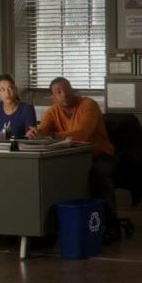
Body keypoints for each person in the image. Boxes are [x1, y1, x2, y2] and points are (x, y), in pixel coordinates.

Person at [26, 77, 120, 241]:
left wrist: (52, 136)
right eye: (59, 92)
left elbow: (82, 134)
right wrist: (36, 133)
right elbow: (44, 129)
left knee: (99, 175)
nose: (64, 94)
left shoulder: (88, 105)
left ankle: (111, 226)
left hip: (99, 155)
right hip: (72, 159)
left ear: (72, 89)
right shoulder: (53, 111)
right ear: (53, 97)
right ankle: (52, 228)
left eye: (66, 89)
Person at [0, 74, 36, 139]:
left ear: (15, 89)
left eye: (10, 88)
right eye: (2, 90)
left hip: (19, 145)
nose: (7, 93)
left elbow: (30, 137)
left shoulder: (27, 109)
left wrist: (30, 135)